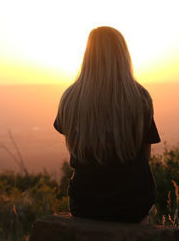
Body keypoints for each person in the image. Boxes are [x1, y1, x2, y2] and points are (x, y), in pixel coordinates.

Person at [53, 26, 161, 223]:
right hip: (133, 203)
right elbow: (145, 158)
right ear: (123, 56)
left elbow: (74, 148)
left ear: (87, 55)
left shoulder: (70, 98)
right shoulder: (140, 98)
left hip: (85, 203)